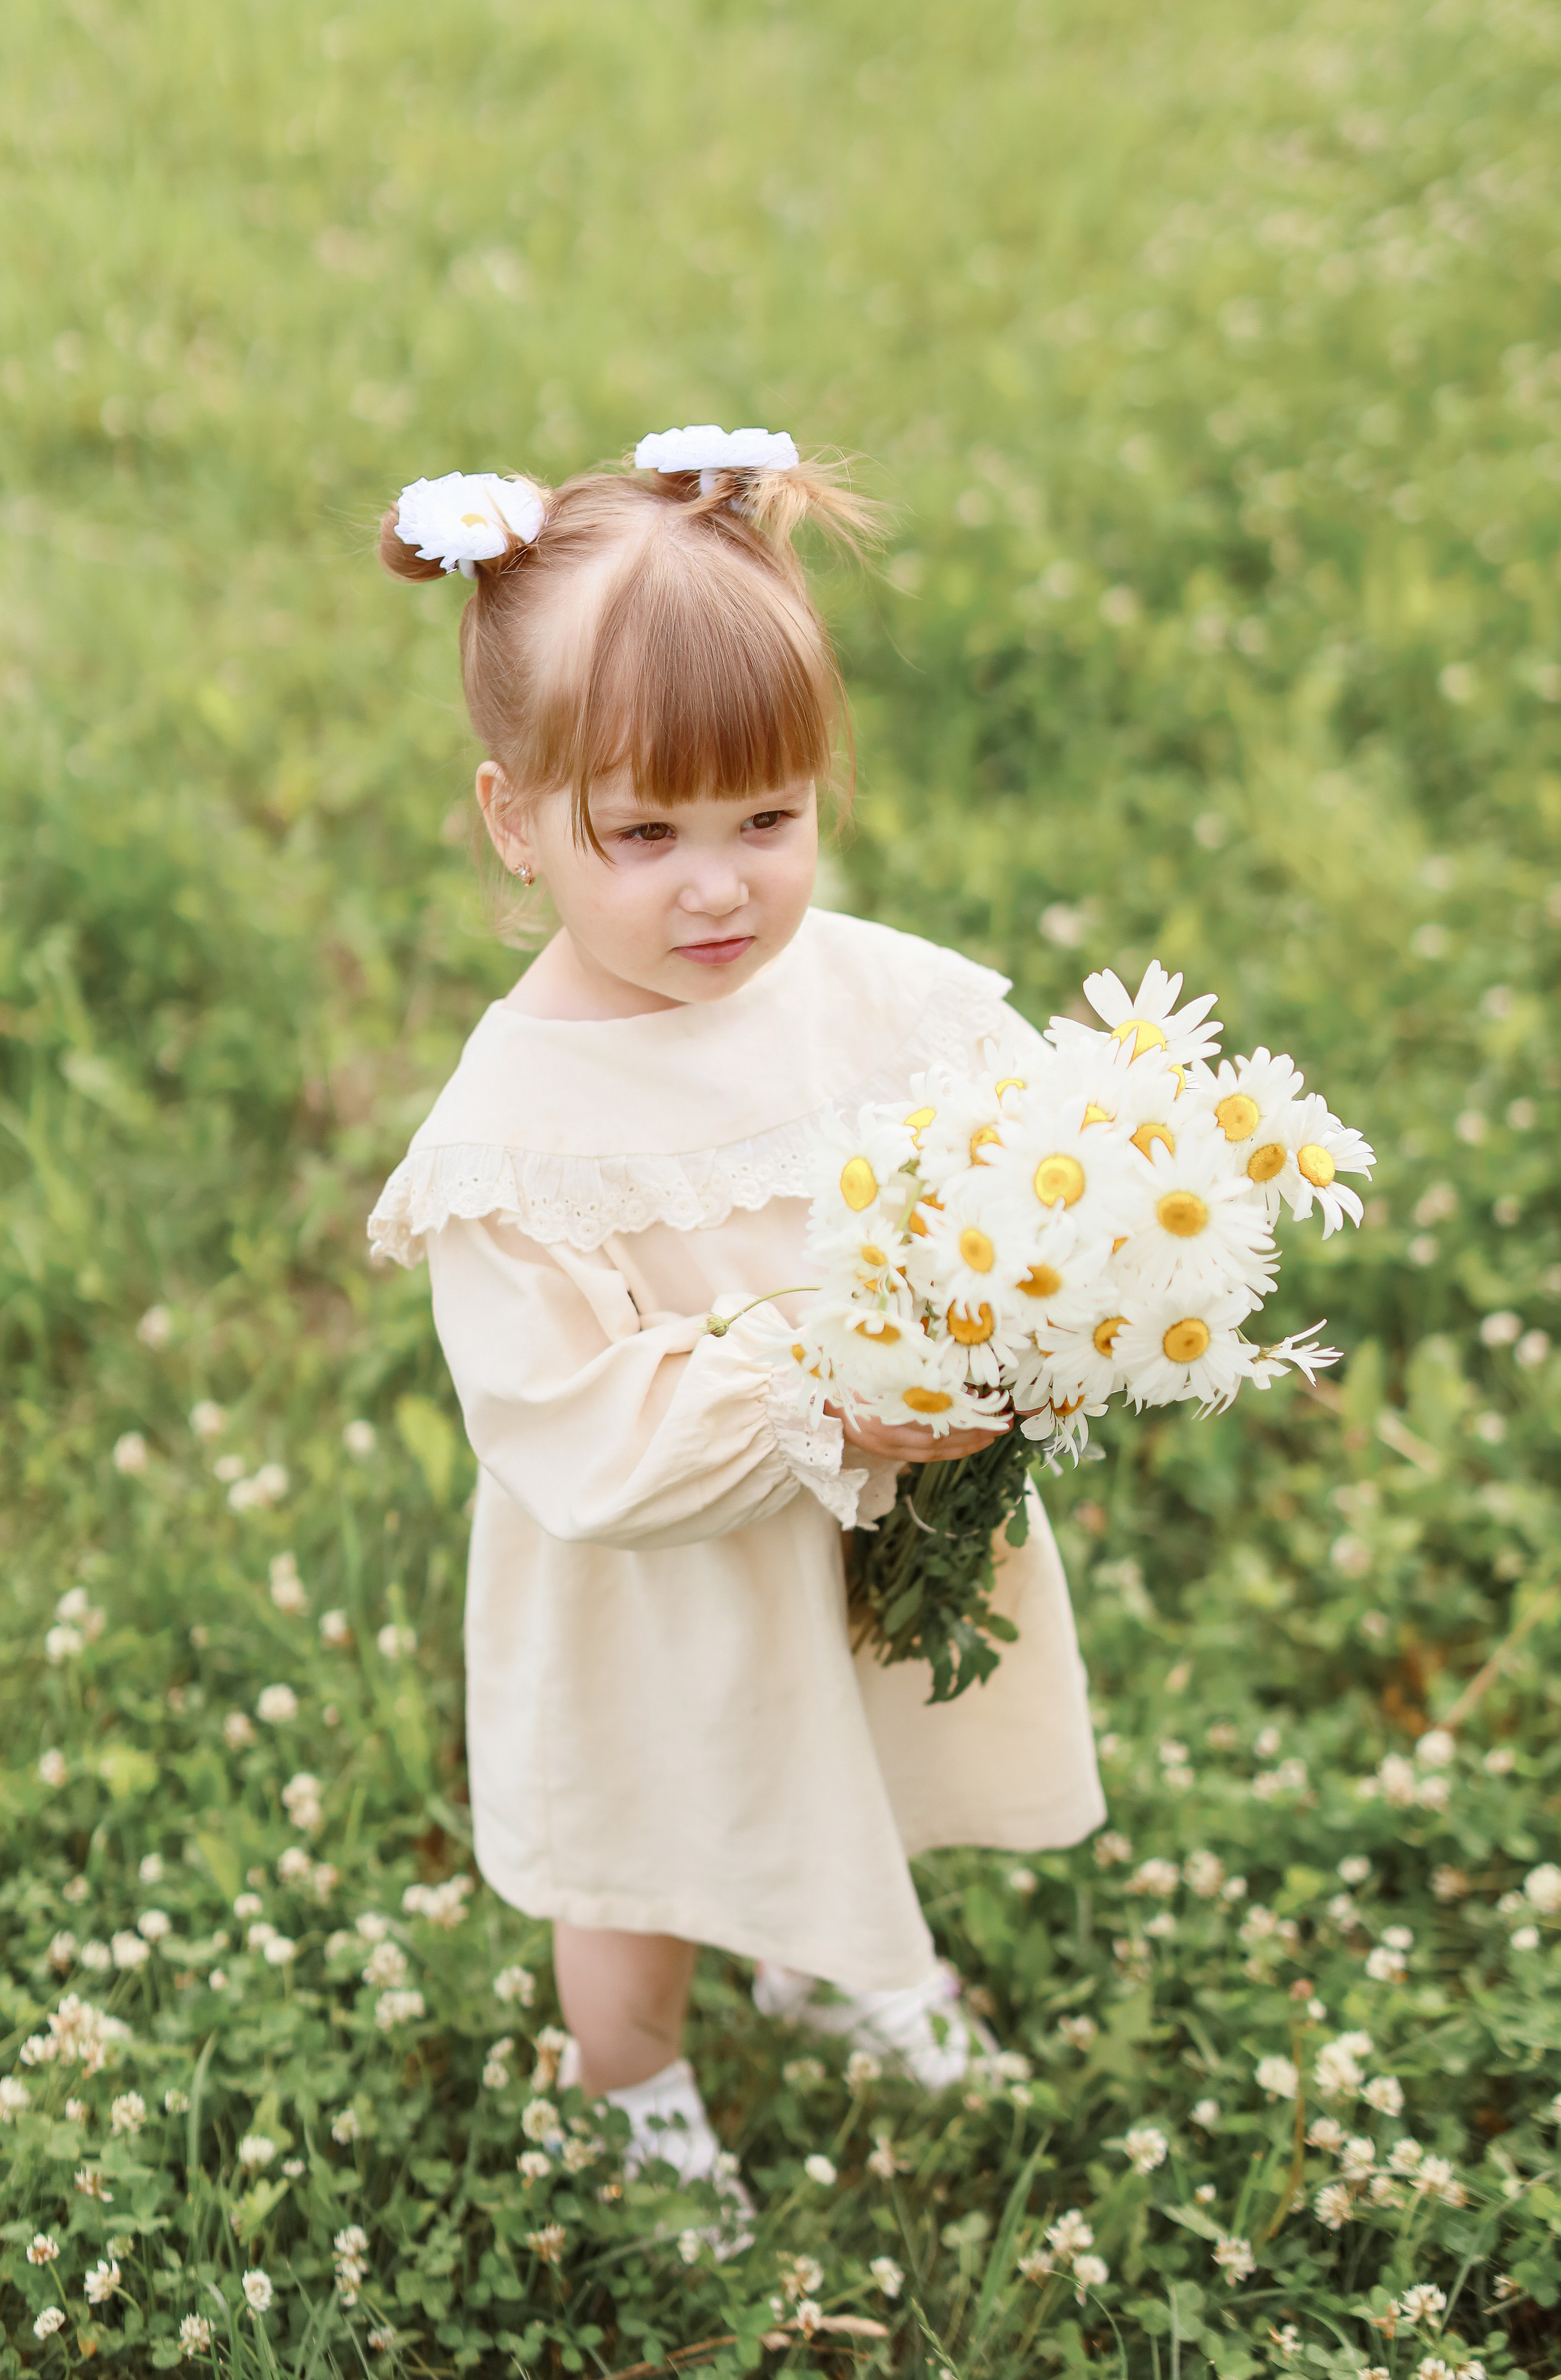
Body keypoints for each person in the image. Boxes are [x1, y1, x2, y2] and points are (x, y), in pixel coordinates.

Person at [369, 427, 1104, 2193]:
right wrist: (820, 1399)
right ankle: (631, 2087)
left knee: (845, 1742)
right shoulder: (515, 1132)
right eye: (647, 834)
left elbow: (1022, 1165)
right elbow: (571, 1432)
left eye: (770, 819)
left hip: (857, 1531)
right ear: (518, 823)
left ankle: (838, 1960)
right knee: (654, 1842)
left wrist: (1070, 1263)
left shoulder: (869, 995)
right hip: (657, 1589)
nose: (722, 887)